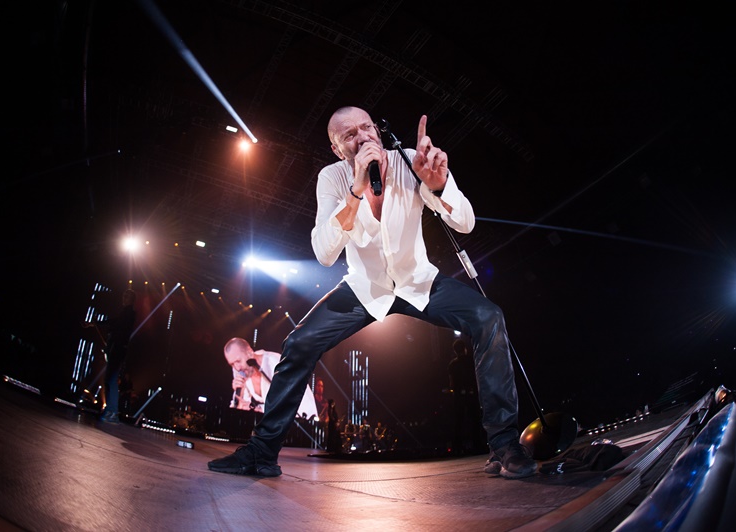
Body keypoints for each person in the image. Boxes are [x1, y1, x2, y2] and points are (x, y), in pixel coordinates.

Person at [208, 106, 536, 479]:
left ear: (378, 133)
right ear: (337, 149)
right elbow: (324, 253)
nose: (362, 136)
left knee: (488, 316)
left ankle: (504, 445)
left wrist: (439, 184)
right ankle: (262, 453)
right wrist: (356, 190)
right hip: (363, 288)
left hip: (418, 281)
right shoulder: (332, 178)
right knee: (298, 343)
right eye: (349, 134)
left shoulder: (410, 160)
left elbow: (465, 223)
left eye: (367, 128)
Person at [222, 337, 317, 419]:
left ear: (250, 353)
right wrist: (239, 401)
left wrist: (259, 410)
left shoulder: (276, 364)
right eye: (232, 364)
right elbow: (243, 406)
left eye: (238, 361)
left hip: (300, 417)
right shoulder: (241, 370)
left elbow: (293, 401)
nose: (237, 368)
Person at [82, 288, 137, 423]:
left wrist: (97, 323)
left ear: (131, 299)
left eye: (127, 296)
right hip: (115, 348)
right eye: (123, 295)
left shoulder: (129, 313)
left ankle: (112, 412)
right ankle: (111, 411)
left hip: (118, 349)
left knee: (111, 380)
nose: (124, 298)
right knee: (109, 379)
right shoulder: (125, 313)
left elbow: (115, 324)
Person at [448, 337, 487, 455]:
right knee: (475, 420)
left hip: (459, 395)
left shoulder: (452, 364)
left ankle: (457, 447)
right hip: (471, 394)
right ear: (464, 349)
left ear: (455, 351)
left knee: (458, 421)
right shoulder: (471, 361)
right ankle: (477, 445)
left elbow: (452, 383)